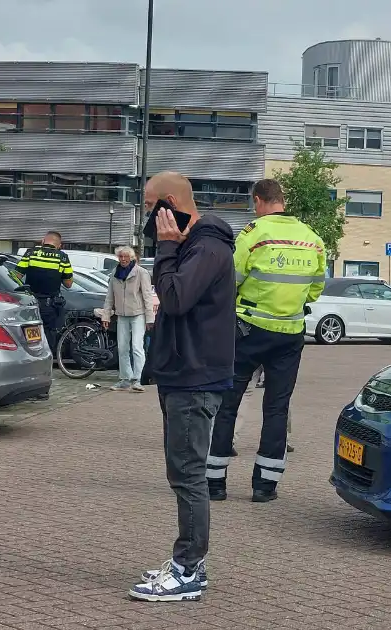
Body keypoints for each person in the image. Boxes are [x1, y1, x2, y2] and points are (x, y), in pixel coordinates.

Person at [129, 171, 236, 603]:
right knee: (182, 471)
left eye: (150, 205)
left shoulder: (207, 246)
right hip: (182, 373)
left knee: (189, 474)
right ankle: (189, 562)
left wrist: (167, 248)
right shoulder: (196, 245)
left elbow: (174, 298)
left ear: (169, 203)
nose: (147, 215)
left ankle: (189, 567)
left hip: (196, 377)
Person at [206, 178, 326, 503]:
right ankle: (265, 486)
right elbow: (316, 289)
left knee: (227, 403)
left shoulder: (253, 233)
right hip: (289, 334)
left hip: (248, 329)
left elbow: (233, 278)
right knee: (276, 408)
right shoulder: (313, 239)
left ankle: (215, 483)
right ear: (283, 200)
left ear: (259, 200)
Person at [102, 246, 155, 392]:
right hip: (122, 314)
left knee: (137, 346)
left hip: (138, 313)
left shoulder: (141, 273)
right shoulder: (115, 273)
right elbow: (109, 297)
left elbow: (147, 296)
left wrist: (150, 318)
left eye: (126, 257)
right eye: (120, 257)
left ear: (132, 258)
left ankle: (138, 379)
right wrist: (106, 315)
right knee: (123, 347)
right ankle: (125, 379)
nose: (123, 259)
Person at [15, 231, 73, 358]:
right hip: (49, 304)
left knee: (28, 332)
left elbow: (16, 276)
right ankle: (45, 360)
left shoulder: (31, 253)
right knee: (48, 333)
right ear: (59, 245)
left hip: (29, 302)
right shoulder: (62, 257)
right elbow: (68, 283)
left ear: (43, 241)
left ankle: (30, 358)